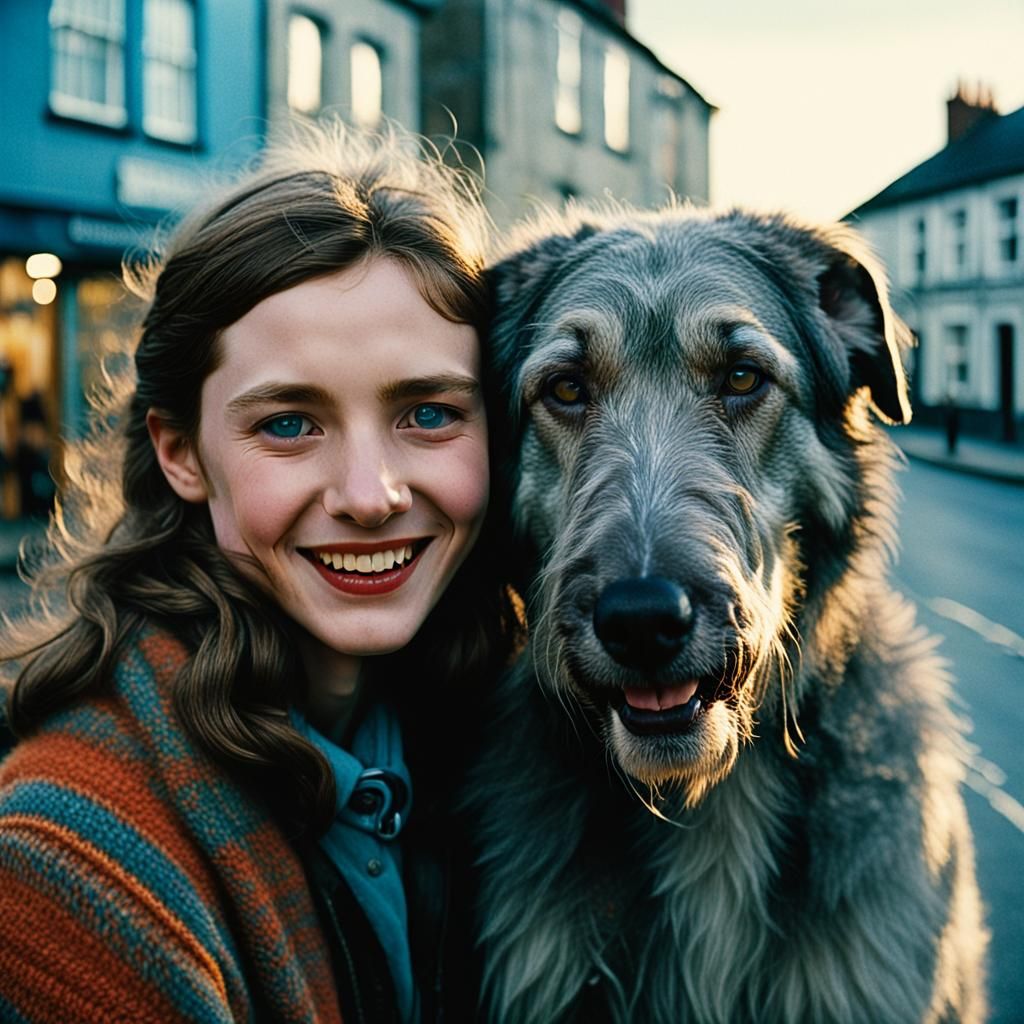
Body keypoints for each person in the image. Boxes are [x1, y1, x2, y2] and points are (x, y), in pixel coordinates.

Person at [0, 120, 515, 1023]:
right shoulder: (72, 862)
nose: (369, 495)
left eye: (429, 414)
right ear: (181, 453)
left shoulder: (507, 755)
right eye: (288, 424)